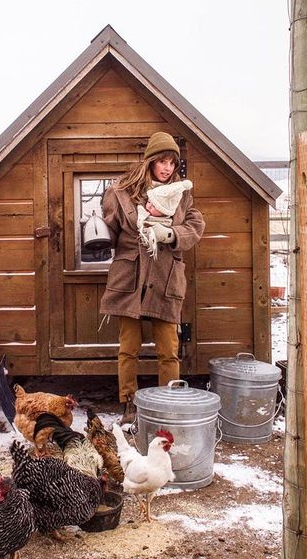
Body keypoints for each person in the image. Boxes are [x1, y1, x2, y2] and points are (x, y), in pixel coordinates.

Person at [99, 132, 205, 425]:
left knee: (169, 351)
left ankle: (167, 404)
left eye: (172, 162)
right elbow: (108, 229)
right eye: (162, 161)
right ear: (150, 162)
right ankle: (129, 404)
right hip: (129, 276)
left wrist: (172, 234)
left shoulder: (182, 194)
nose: (167, 168)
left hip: (165, 276)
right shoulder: (122, 192)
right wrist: (96, 234)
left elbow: (196, 224)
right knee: (128, 348)